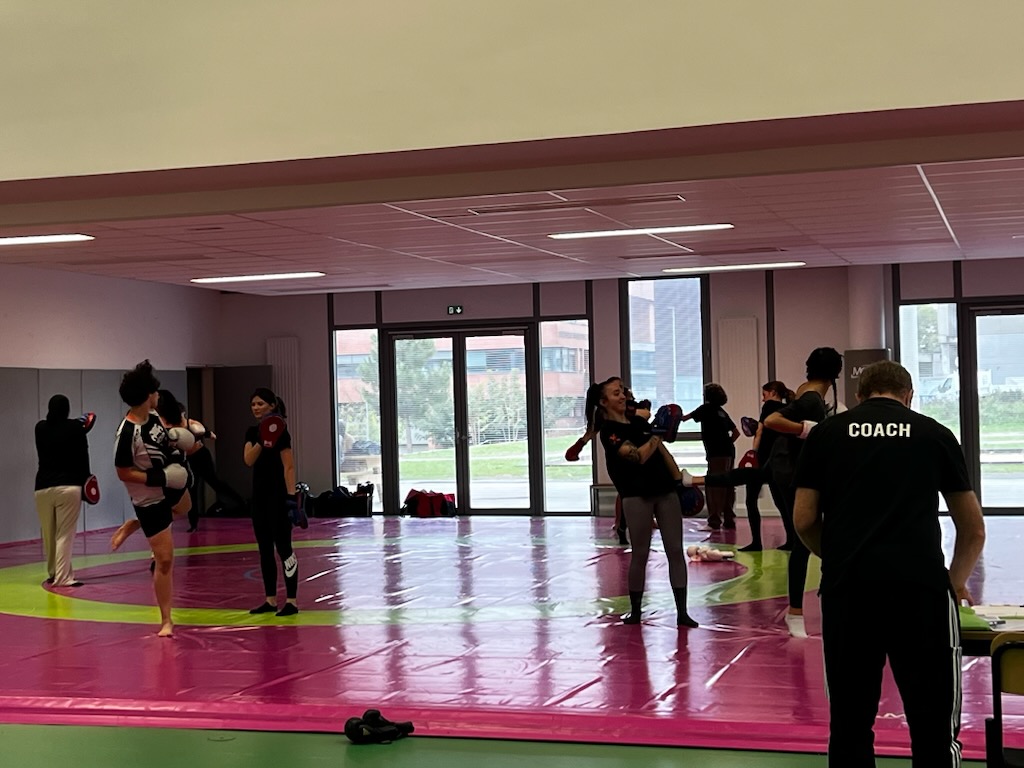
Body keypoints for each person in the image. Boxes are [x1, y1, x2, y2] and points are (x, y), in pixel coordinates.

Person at [793, 360, 985, 767]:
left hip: (849, 591)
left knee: (849, 726)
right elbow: (973, 529)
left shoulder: (826, 434)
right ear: (908, 395)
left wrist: (838, 555)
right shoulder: (934, 433)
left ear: (860, 396)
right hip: (920, 591)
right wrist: (954, 581)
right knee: (933, 726)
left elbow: (804, 519)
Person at [588, 377, 697, 628]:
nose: (623, 396)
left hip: (665, 491)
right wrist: (656, 435)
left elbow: (662, 453)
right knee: (640, 553)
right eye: (616, 393)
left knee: (675, 551)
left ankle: (682, 612)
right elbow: (638, 457)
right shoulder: (610, 432)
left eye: (622, 392)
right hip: (636, 495)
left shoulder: (639, 423)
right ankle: (636, 611)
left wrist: (679, 481)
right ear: (604, 402)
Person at [763, 346, 844, 638]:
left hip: (797, 473)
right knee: (802, 541)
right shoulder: (811, 399)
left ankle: (808, 605)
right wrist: (804, 429)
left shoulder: (810, 392)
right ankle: (796, 612)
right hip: (795, 476)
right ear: (837, 373)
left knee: (813, 538)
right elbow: (772, 421)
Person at [111, 361, 193, 637]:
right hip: (149, 499)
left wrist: (176, 442)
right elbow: (122, 471)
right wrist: (157, 478)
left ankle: (135, 524)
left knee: (186, 507)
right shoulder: (127, 433)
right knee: (165, 559)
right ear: (148, 395)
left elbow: (166, 444)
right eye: (155, 392)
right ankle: (166, 620)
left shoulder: (155, 418)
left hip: (168, 489)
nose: (159, 395)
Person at [566, 382, 650, 546]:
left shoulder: (626, 412)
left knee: (630, 494)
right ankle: (623, 526)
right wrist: (578, 447)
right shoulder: (610, 417)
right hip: (620, 459)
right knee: (627, 493)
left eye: (625, 396)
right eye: (619, 394)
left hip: (630, 456)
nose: (625, 399)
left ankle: (625, 525)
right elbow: (592, 431)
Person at [244, 387, 301, 617]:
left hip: (278, 497)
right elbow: (248, 460)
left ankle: (292, 600)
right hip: (259, 498)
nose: (256, 408)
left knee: (284, 548)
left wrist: (291, 499)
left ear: (272, 406)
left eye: (260, 404)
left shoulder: (283, 433)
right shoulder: (251, 432)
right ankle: (269, 599)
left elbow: (288, 466)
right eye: (253, 404)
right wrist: (262, 440)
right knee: (264, 549)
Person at [155, 389, 244, 531]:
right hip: (187, 460)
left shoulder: (188, 423)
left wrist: (208, 433)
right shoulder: (164, 424)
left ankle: (240, 504)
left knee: (214, 482)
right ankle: (193, 524)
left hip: (201, 456)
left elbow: (202, 430)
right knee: (192, 489)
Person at [34, 394, 92, 587]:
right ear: (67, 409)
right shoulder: (76, 429)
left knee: (49, 534)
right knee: (64, 534)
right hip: (69, 487)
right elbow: (83, 458)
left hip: (42, 488)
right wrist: (87, 484)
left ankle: (53, 573)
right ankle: (63, 577)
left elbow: (57, 428)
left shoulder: (39, 428)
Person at [740, 381, 793, 551]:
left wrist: (752, 453)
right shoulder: (788, 409)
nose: (763, 399)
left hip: (762, 460)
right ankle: (792, 540)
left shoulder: (769, 406)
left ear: (772, 392)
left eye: (764, 395)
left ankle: (756, 542)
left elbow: (760, 431)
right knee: (782, 502)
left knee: (750, 500)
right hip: (778, 461)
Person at [681, 383, 739, 529]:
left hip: (717, 453)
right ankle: (729, 519)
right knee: (727, 484)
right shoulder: (722, 412)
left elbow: (684, 418)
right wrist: (726, 443)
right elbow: (737, 433)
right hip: (729, 452)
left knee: (714, 484)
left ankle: (714, 521)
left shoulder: (705, 408)